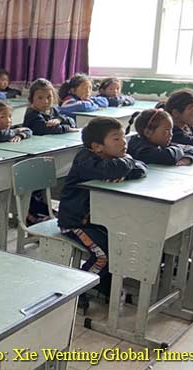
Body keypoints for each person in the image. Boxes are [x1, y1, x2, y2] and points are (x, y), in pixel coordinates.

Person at [58, 118, 147, 304]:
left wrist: (126, 166)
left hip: (100, 221)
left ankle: (103, 287)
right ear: (97, 147)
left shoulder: (114, 159)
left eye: (123, 137)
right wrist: (127, 162)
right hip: (76, 222)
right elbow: (109, 170)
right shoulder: (86, 160)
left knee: (121, 245)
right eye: (116, 139)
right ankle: (76, 290)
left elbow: (141, 168)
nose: (124, 142)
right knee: (104, 254)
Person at [126, 109, 193, 166]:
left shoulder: (157, 142)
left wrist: (188, 157)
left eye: (171, 130)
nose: (171, 134)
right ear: (148, 133)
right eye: (166, 131)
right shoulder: (142, 150)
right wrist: (181, 149)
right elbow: (169, 156)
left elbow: (190, 147)